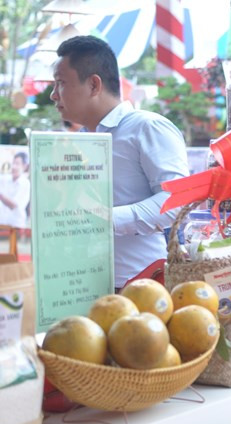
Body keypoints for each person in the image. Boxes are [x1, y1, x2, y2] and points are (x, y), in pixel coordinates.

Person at [51, 35, 189, 290]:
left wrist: (108, 219)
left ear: (93, 85)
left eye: (60, 83)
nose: (53, 94)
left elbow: (176, 201)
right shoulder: (79, 141)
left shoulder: (147, 128)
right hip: (84, 283)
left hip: (141, 283)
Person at [0, 152, 31, 229]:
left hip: (16, 227)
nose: (14, 167)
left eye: (17, 164)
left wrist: (1, 196)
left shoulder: (25, 184)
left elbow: (14, 205)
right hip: (2, 225)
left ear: (25, 166)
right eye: (13, 163)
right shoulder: (5, 179)